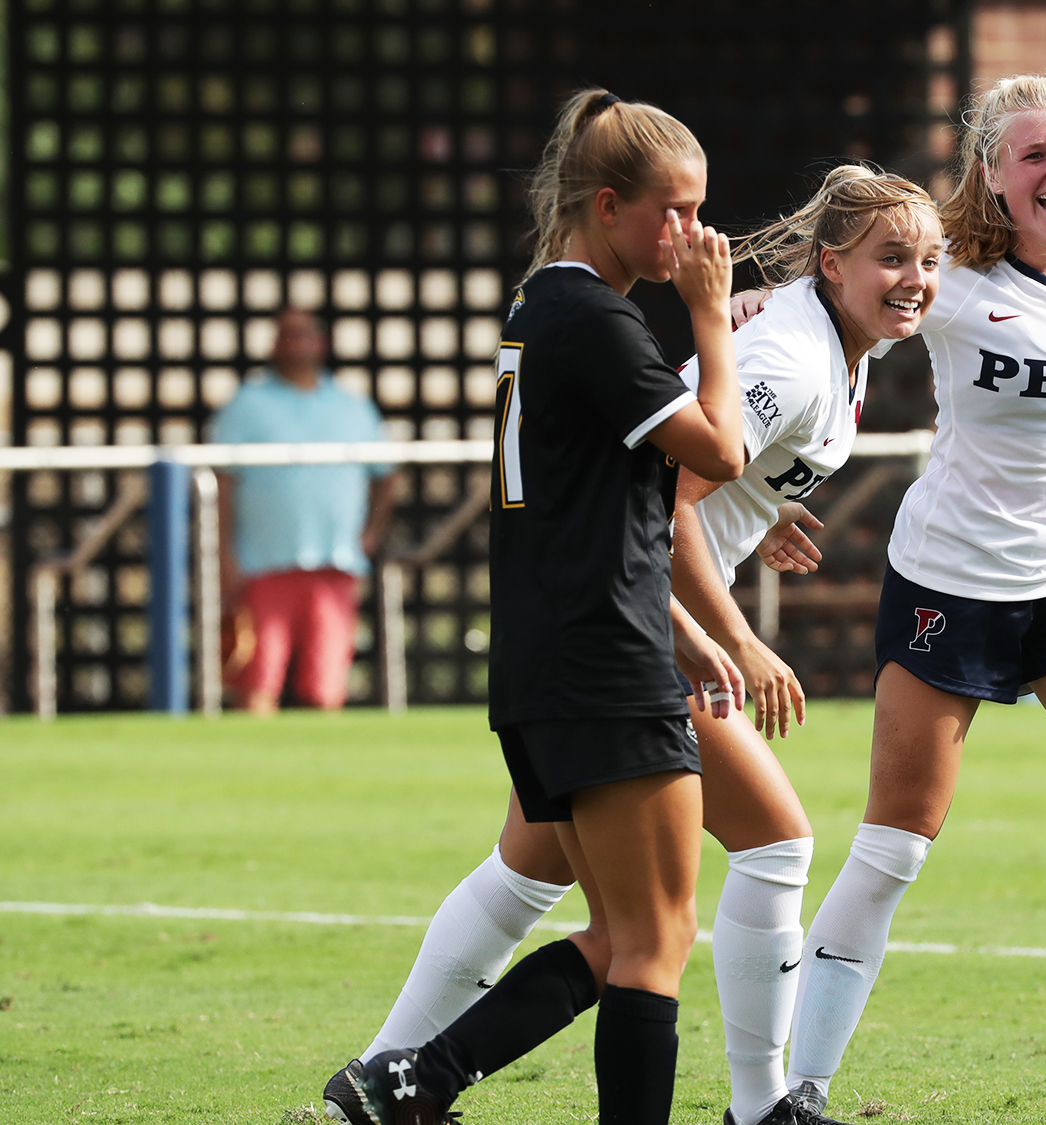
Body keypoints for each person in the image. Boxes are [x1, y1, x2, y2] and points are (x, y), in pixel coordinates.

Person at [323, 165, 945, 1125]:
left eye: (928, 260)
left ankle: (382, 1077)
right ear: (832, 263)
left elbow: (698, 469)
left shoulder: (823, 342)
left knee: (535, 874)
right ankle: (759, 1104)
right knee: (770, 848)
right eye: (892, 257)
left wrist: (765, 501)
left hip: (597, 626)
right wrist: (732, 637)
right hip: (639, 630)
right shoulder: (790, 356)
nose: (916, 278)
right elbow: (671, 503)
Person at [742, 74, 1046, 1125]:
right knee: (898, 842)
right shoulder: (944, 269)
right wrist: (751, 344)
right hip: (947, 584)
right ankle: (800, 1094)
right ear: (993, 175)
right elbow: (820, 311)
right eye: (1034, 155)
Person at [337, 87, 744, 1125]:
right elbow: (723, 452)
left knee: (621, 935)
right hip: (601, 663)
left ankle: (412, 1080)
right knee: (657, 944)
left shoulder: (545, 309)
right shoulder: (591, 317)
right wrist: (707, 314)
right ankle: (412, 1078)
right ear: (605, 205)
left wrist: (687, 632)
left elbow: (605, 515)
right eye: (672, 211)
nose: (689, 234)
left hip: (553, 660)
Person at [210, 307, 397, 713]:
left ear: (321, 342)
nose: (294, 343)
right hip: (262, 564)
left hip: (335, 563)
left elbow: (387, 474)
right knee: (257, 681)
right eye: (285, 335)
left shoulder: (353, 406)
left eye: (302, 334)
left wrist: (371, 534)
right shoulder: (246, 404)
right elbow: (221, 485)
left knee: (326, 688)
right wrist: (223, 554)